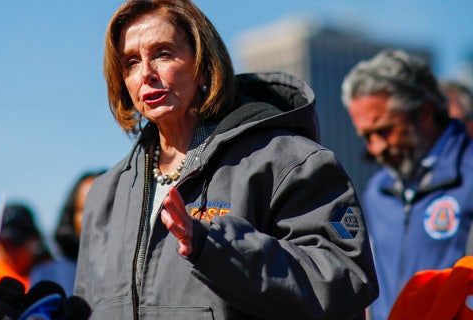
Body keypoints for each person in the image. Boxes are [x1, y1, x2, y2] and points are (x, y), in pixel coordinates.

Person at [74, 1, 379, 318]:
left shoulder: (288, 162)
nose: (146, 74)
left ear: (203, 64)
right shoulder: (103, 195)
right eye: (131, 62)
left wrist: (218, 248)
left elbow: (345, 283)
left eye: (163, 53)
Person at [341, 49, 473, 319]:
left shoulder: (469, 174)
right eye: (366, 136)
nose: (376, 148)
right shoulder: (377, 191)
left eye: (384, 131)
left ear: (424, 112)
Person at [31, 170, 106, 296]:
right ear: (71, 215)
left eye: (104, 208)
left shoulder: (140, 273)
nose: (94, 217)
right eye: (84, 209)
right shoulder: (49, 276)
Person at [0, 203, 53, 292]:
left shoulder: (53, 274)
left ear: (34, 240)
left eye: (16, 242)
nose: (10, 250)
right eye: (4, 244)